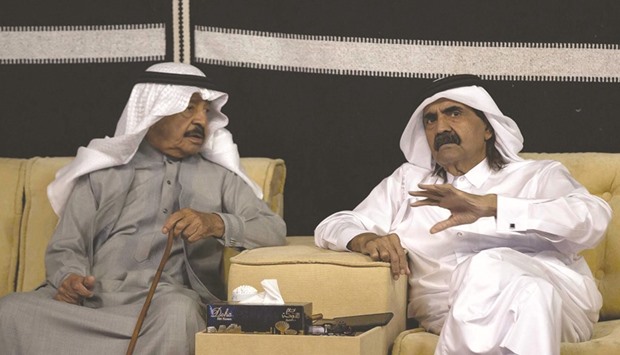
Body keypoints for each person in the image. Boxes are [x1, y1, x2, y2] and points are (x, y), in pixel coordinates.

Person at [0, 62, 287, 354]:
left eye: (206, 110)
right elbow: (67, 245)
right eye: (190, 108)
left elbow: (273, 229)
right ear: (155, 110)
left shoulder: (221, 176)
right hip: (93, 304)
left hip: (162, 306)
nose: (202, 119)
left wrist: (217, 223)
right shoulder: (103, 172)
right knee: (9, 312)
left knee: (180, 313)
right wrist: (69, 279)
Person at [314, 74, 611, 355]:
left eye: (454, 113)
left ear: (487, 128)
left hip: (561, 309)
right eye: (430, 120)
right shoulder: (407, 183)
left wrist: (495, 206)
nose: (440, 127)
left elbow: (593, 218)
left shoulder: (535, 175)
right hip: (453, 315)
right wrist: (363, 238)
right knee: (530, 293)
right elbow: (335, 224)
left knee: (489, 266)